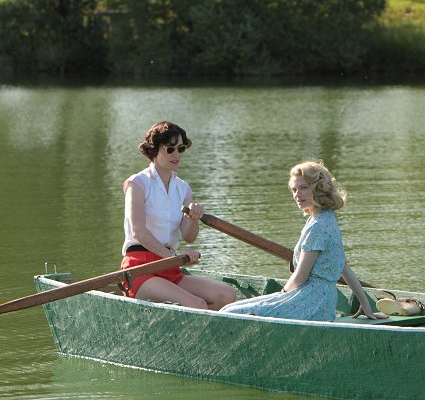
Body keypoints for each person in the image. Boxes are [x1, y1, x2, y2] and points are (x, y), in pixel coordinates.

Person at [221, 160, 387, 322]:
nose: (297, 195)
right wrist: (365, 303)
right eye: (294, 189)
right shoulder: (327, 218)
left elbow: (300, 277)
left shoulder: (317, 226)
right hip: (322, 302)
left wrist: (282, 293)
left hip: (310, 302)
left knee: (229, 312)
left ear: (318, 189)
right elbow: (343, 266)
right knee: (230, 310)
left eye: (303, 188)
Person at [119, 121, 236, 310]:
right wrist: (173, 257)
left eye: (180, 148)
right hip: (140, 267)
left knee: (227, 296)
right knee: (196, 303)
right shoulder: (137, 183)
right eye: (170, 149)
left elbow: (189, 236)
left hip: (170, 266)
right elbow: (138, 231)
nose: (177, 154)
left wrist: (193, 218)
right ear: (154, 149)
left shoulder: (183, 188)